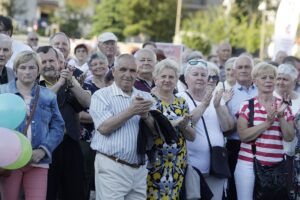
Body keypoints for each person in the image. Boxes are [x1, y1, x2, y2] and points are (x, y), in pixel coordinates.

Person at [0, 51, 64, 200]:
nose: (27, 72)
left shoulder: (49, 95)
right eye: (22, 67)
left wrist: (43, 150)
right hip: (10, 161)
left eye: (31, 68)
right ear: (15, 70)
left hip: (38, 161)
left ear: (38, 70)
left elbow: (58, 127)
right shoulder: (2, 92)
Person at [89, 54, 155, 200]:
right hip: (112, 166)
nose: (127, 74)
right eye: (123, 69)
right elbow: (104, 128)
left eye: (132, 71)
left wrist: (146, 116)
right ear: (114, 71)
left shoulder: (146, 97)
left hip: (139, 169)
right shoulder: (101, 96)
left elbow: (156, 132)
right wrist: (132, 111)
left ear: (137, 74)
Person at [36, 45, 91, 200]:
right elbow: (41, 102)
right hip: (44, 147)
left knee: (75, 193)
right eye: (43, 61)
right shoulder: (33, 82)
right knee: (47, 193)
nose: (48, 64)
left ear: (59, 62)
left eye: (51, 60)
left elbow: (87, 103)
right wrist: (60, 83)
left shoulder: (69, 79)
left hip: (70, 143)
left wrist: (71, 83)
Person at [235, 62, 294, 200]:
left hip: (276, 166)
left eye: (271, 77)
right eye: (263, 77)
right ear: (255, 81)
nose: (268, 80)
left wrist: (280, 116)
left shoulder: (284, 105)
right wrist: (267, 123)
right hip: (248, 164)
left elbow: (289, 137)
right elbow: (243, 135)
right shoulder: (247, 105)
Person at [177, 58, 234, 200]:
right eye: (195, 74)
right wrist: (203, 105)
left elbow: (227, 127)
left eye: (203, 75)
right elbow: (186, 126)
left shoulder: (217, 97)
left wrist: (217, 107)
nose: (200, 78)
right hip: (192, 166)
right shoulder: (179, 99)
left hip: (216, 165)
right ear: (186, 78)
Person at [147, 58, 195, 199]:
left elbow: (192, 136)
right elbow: (150, 128)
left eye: (171, 77)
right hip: (154, 162)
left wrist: (184, 126)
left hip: (176, 163)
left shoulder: (182, 102)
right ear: (156, 79)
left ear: (176, 81)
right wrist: (174, 122)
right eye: (163, 76)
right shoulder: (149, 100)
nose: (167, 80)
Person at [226, 54, 258, 200]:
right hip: (236, 146)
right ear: (234, 71)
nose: (244, 70)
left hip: (260, 145)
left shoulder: (262, 90)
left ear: (253, 69)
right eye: (240, 67)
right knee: (235, 191)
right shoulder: (229, 94)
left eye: (247, 67)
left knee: (260, 188)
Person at [79, 52, 109, 199]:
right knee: (87, 174)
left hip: (110, 139)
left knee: (105, 175)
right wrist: (104, 119)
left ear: (107, 64)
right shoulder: (85, 87)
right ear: (90, 69)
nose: (98, 67)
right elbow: (78, 115)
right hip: (88, 139)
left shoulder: (114, 86)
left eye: (101, 63)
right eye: (94, 65)